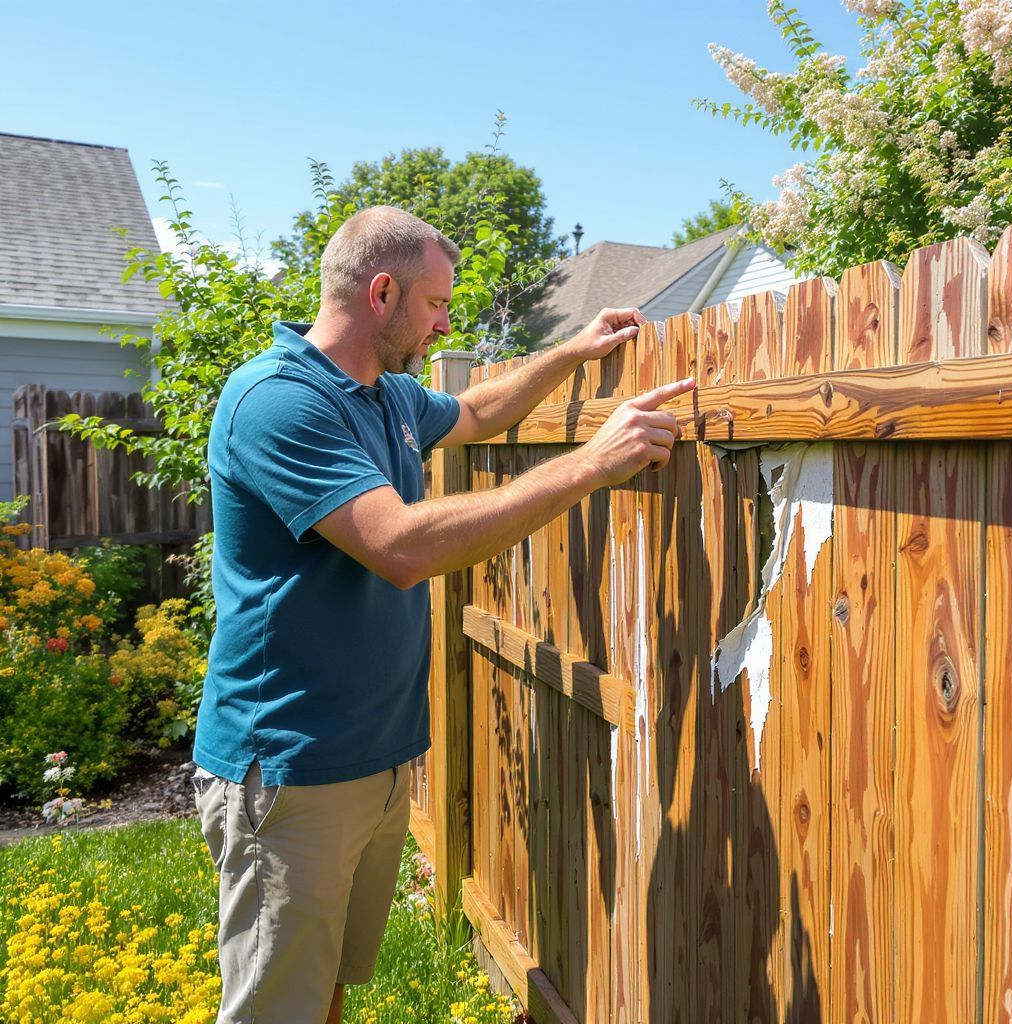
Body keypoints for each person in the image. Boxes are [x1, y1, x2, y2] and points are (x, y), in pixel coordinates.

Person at [191, 205, 694, 1024]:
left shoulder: (384, 397)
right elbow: (400, 547)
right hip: (289, 768)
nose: (446, 322)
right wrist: (591, 466)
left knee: (328, 993)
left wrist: (574, 350)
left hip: (375, 757)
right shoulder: (278, 402)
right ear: (382, 293)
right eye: (436, 304)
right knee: (272, 1009)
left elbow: (480, 413)